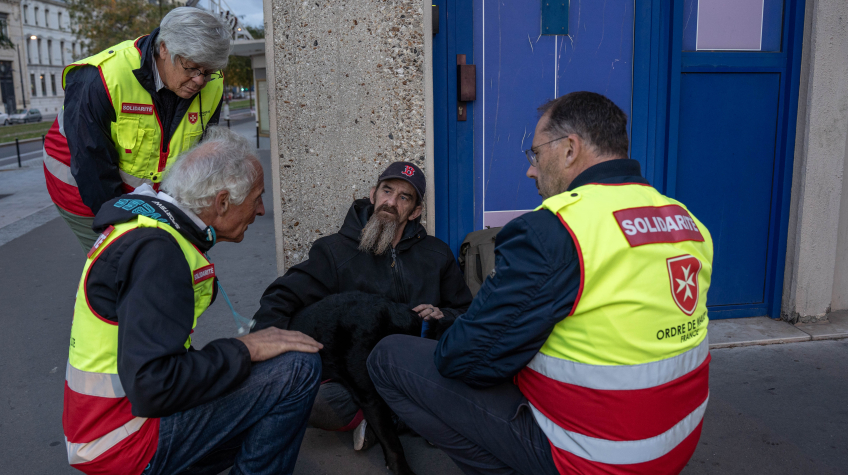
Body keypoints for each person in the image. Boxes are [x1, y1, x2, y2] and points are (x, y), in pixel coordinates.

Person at [367, 91, 714, 474]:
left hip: (597, 460)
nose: (531, 170)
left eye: (535, 154)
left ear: (569, 149)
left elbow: (467, 359)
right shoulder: (685, 221)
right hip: (672, 446)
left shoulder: (558, 228)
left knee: (388, 357)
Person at [62, 127, 322, 475]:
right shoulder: (158, 254)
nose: (261, 210)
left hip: (106, 429)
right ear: (223, 202)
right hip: (126, 442)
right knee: (297, 370)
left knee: (264, 381)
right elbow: (155, 387)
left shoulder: (149, 226)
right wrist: (245, 350)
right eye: (257, 197)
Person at [252, 161, 473, 450]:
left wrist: (443, 315)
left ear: (416, 211)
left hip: (420, 369)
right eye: (387, 190)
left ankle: (387, 420)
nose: (391, 202)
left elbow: (468, 313)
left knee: (474, 377)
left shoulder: (437, 254)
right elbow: (281, 297)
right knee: (317, 402)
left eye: (404, 197)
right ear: (373, 194)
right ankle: (413, 418)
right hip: (358, 379)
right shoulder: (333, 251)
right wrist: (264, 350)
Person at [43, 7, 229, 250]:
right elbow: (92, 169)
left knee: (169, 261)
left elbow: (199, 157)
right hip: (80, 190)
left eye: (208, 71)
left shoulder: (211, 83)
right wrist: (125, 232)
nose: (200, 81)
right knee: (127, 264)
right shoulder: (100, 78)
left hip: (146, 195)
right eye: (192, 69)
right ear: (164, 48)